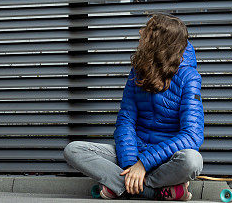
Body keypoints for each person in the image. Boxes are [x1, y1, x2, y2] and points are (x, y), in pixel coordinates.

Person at [63, 13, 204, 200]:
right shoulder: (138, 70)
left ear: (160, 41)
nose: (140, 32)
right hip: (133, 151)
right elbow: (125, 121)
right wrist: (131, 164)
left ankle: (121, 186)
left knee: (192, 161)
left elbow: (192, 136)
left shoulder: (189, 77)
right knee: (73, 150)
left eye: (147, 30)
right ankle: (155, 191)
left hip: (166, 159)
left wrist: (143, 164)